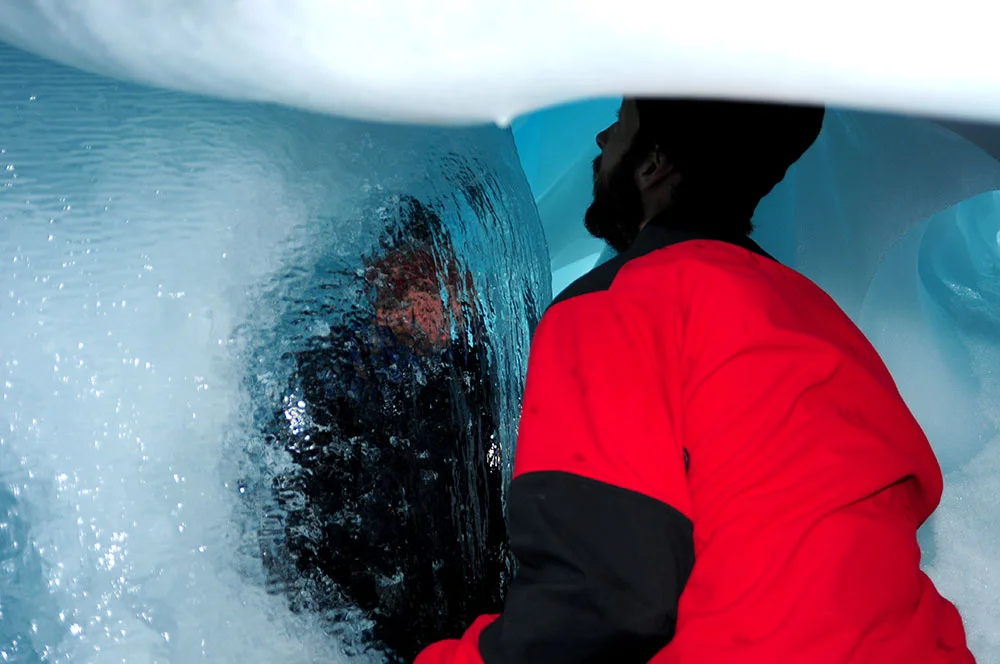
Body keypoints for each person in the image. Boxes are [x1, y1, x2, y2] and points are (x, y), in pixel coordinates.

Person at [415, 98, 975, 663]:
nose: (602, 139)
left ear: (654, 163)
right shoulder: (821, 318)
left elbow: (595, 610)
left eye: (623, 121)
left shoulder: (619, 307)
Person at [262, 195, 512, 662]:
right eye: (430, 280)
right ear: (384, 288)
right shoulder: (335, 372)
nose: (456, 294)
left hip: (467, 630)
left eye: (452, 276)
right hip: (372, 637)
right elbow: (290, 524)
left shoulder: (468, 373)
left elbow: (492, 496)